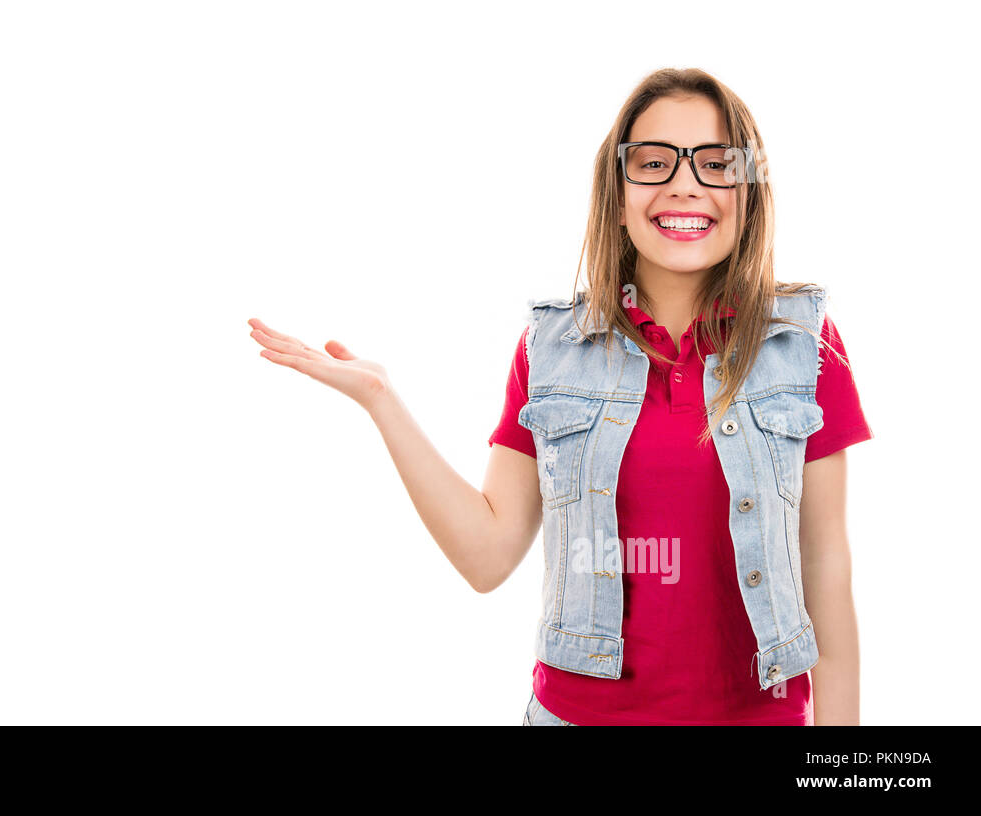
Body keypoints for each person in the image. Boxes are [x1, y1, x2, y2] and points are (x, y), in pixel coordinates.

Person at [248, 67, 871, 726]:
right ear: (617, 192)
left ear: (747, 189)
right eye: (654, 163)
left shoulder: (801, 345)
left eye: (716, 163)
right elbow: (487, 557)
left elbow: (825, 564)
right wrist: (381, 400)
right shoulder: (552, 349)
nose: (685, 184)